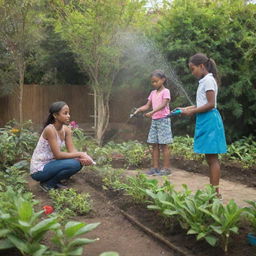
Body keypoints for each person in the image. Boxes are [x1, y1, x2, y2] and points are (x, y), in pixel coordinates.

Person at [177, 53, 227, 197]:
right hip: (205, 120)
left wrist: (191, 113)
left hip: (210, 120)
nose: (192, 73)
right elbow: (201, 104)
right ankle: (213, 192)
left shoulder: (208, 81)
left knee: (212, 158)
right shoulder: (205, 81)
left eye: (193, 69)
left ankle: (215, 194)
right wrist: (185, 109)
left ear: (201, 66)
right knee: (210, 158)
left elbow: (211, 105)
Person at [30, 101, 94, 192]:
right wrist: (81, 154)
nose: (68, 116)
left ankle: (51, 181)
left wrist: (82, 158)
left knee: (78, 163)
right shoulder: (50, 129)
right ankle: (48, 184)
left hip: (51, 165)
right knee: (74, 164)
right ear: (55, 115)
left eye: (68, 113)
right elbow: (58, 155)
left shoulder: (66, 130)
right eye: (65, 113)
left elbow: (72, 150)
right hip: (39, 169)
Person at [134, 70, 172, 176]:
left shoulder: (166, 91)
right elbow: (147, 105)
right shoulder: (152, 93)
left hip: (163, 120)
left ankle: (166, 169)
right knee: (154, 144)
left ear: (163, 80)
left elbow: (164, 104)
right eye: (152, 82)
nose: (154, 84)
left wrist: (152, 112)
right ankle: (155, 168)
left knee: (164, 145)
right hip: (155, 121)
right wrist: (139, 109)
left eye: (156, 81)